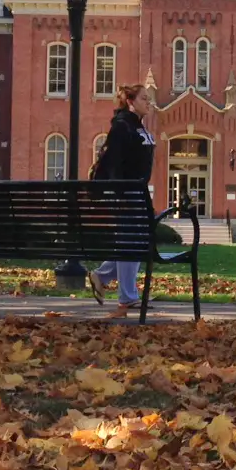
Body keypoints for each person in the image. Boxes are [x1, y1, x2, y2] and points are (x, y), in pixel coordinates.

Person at [87, 84, 157, 319]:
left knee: (135, 243)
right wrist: (120, 193)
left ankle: (102, 276)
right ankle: (127, 297)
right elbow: (115, 162)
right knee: (130, 243)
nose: (149, 102)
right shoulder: (122, 126)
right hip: (127, 194)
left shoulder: (136, 126)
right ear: (130, 101)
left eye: (149, 99)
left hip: (137, 192)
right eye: (144, 98)